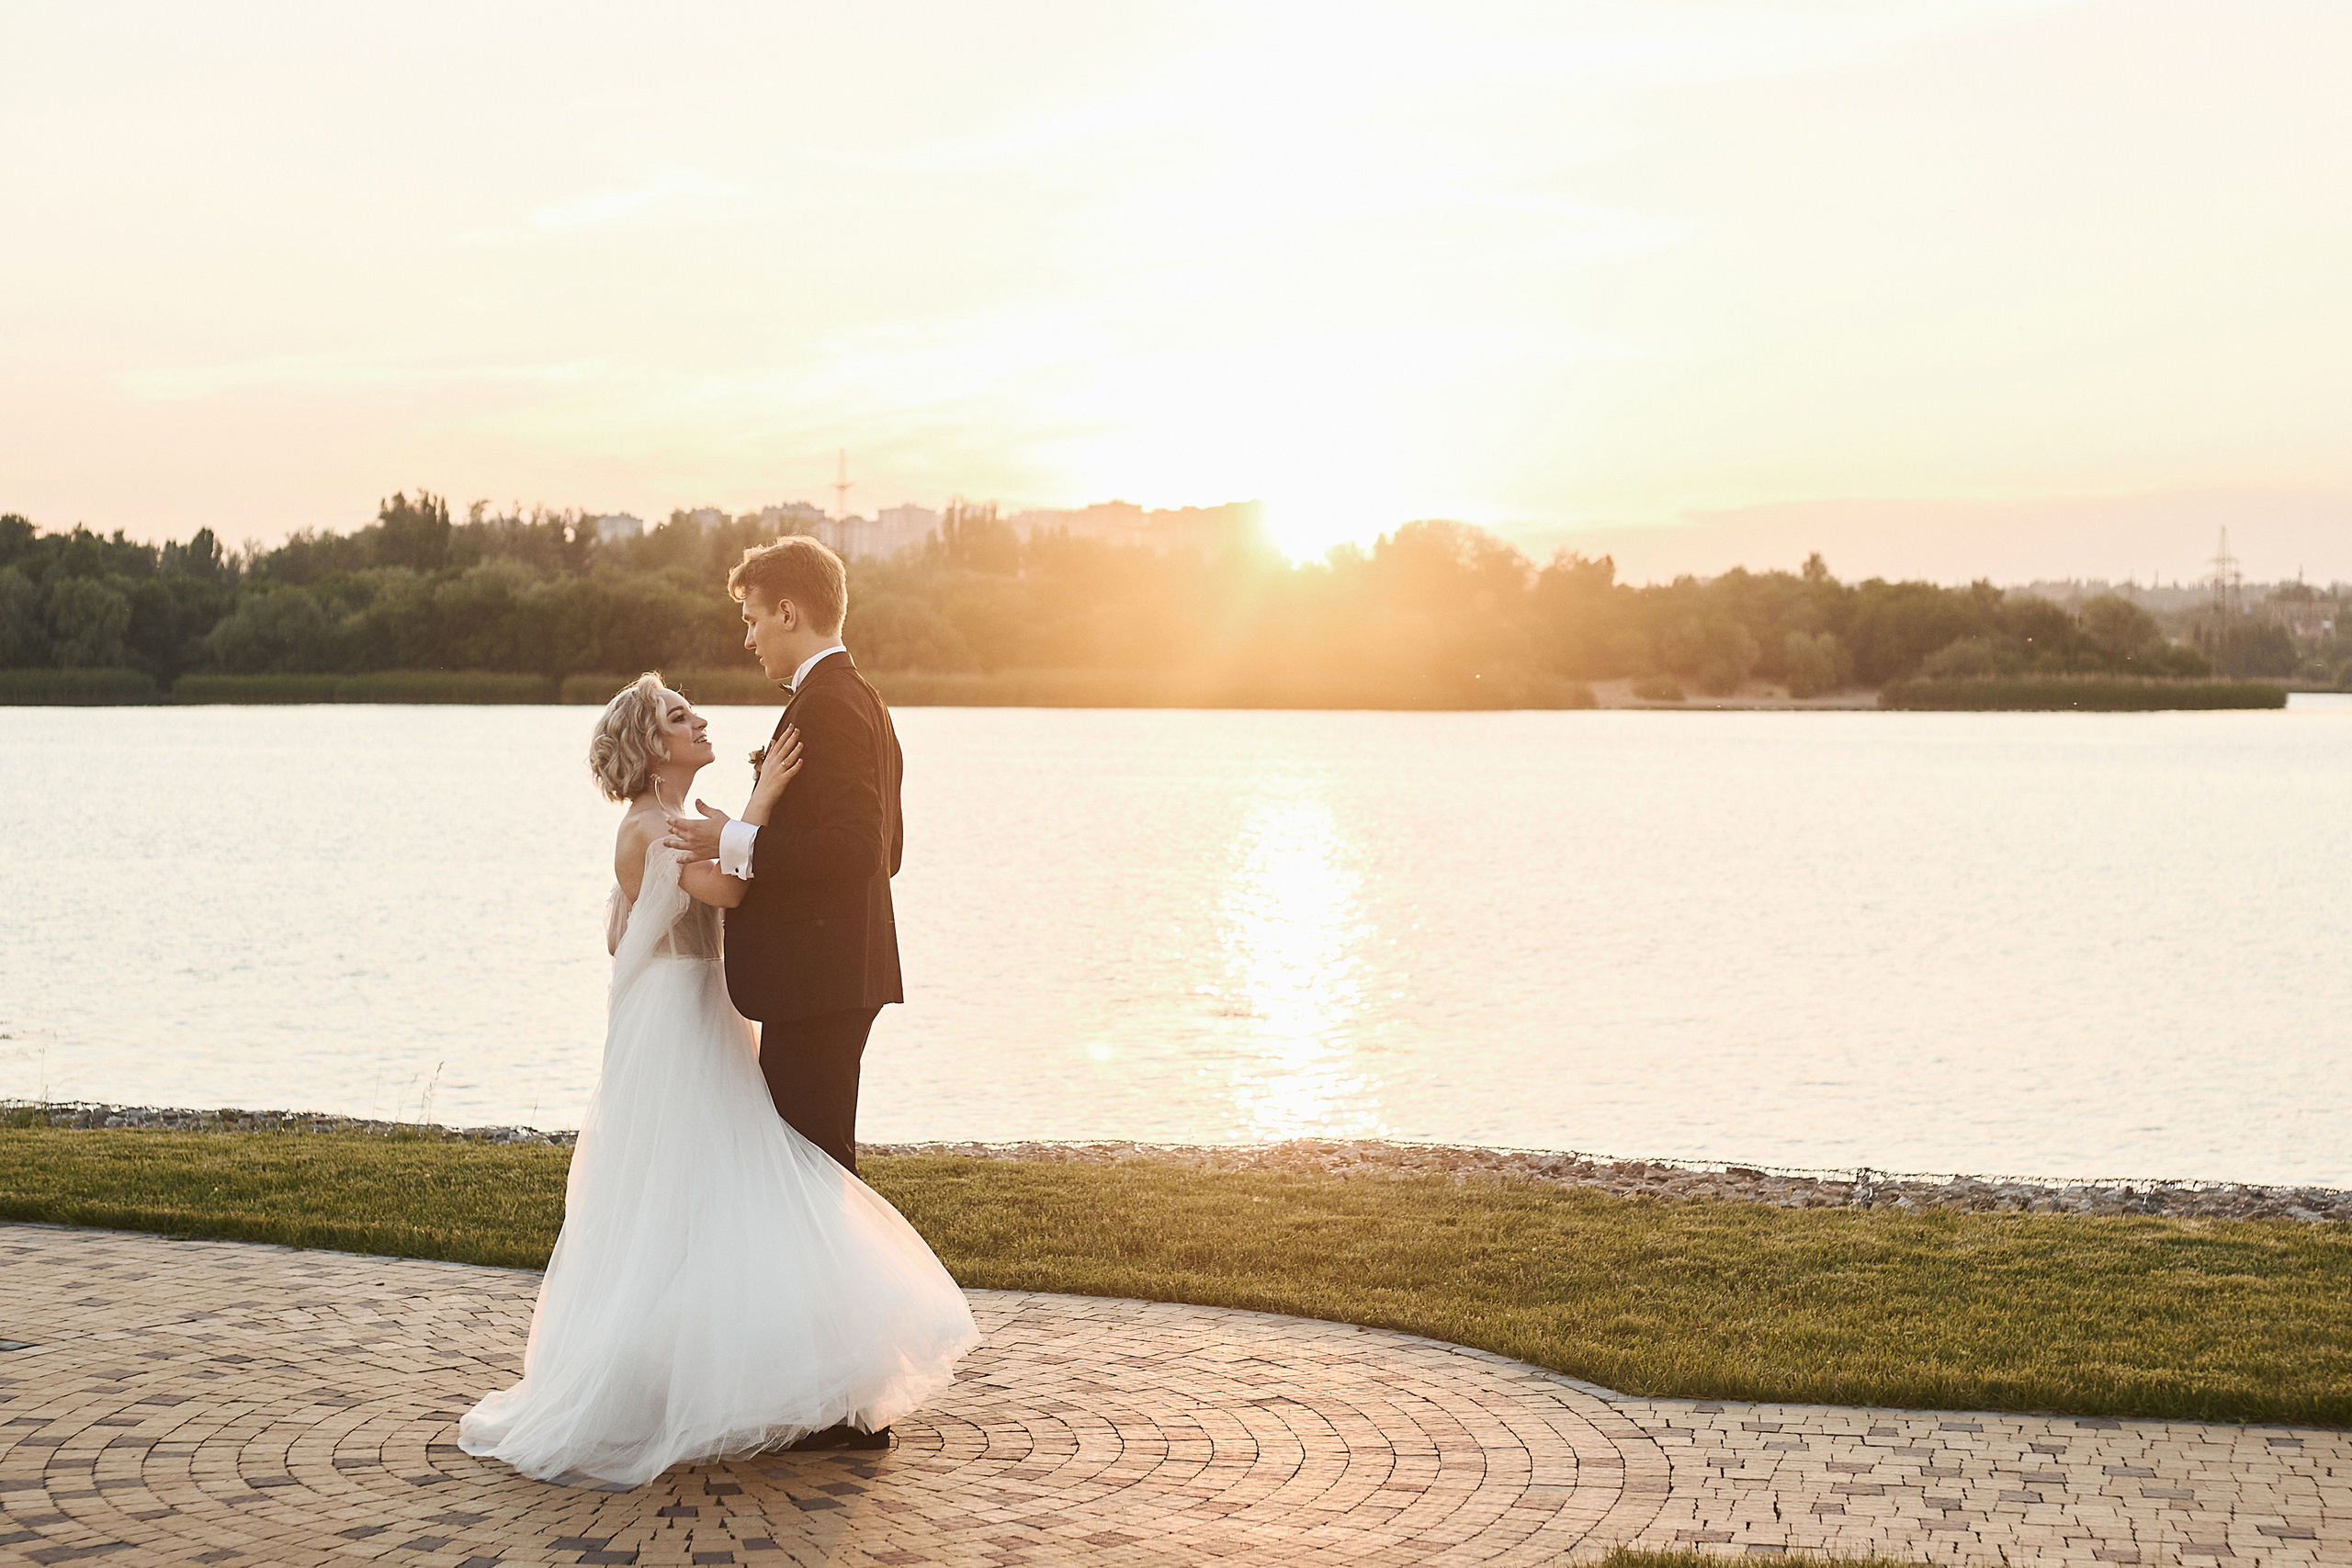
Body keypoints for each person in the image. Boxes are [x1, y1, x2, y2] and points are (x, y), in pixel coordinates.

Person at [458, 672, 973, 1484]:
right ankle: (669, 1381)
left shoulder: (690, 819)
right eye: (679, 715)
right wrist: (762, 801)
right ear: (652, 745)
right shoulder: (647, 827)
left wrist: (741, 819)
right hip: (673, 1020)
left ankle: (742, 1367)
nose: (699, 721)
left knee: (727, 1186)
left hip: (712, 1010)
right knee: (683, 1186)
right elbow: (730, 887)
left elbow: (733, 876)